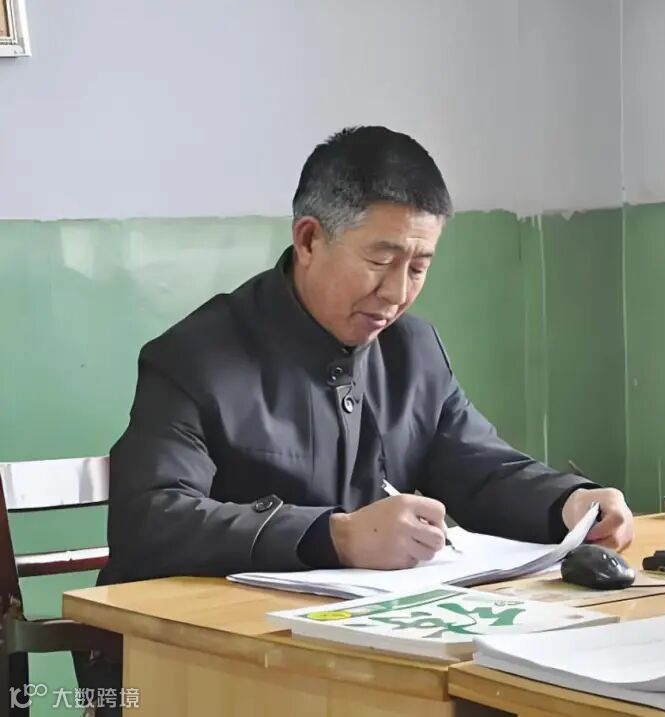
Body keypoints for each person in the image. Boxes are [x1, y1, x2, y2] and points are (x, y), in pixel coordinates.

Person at [74, 126, 633, 710]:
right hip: (199, 662)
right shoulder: (196, 356)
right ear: (309, 239)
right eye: (380, 261)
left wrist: (569, 503)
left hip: (354, 649)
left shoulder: (413, 350)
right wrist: (335, 536)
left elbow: (479, 467)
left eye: (418, 267)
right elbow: (151, 518)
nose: (396, 293)